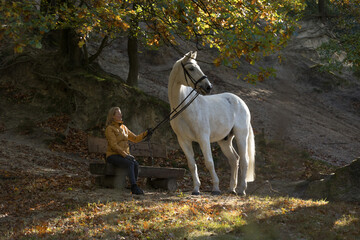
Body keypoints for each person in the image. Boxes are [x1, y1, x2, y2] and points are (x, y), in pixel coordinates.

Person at [105, 107, 152, 195]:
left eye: (120, 113)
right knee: (130, 163)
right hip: (112, 155)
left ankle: (133, 185)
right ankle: (134, 187)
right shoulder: (110, 129)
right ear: (113, 116)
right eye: (118, 114)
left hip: (123, 155)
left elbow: (135, 138)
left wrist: (146, 133)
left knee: (135, 164)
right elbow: (113, 145)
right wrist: (125, 155)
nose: (121, 115)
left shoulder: (124, 127)